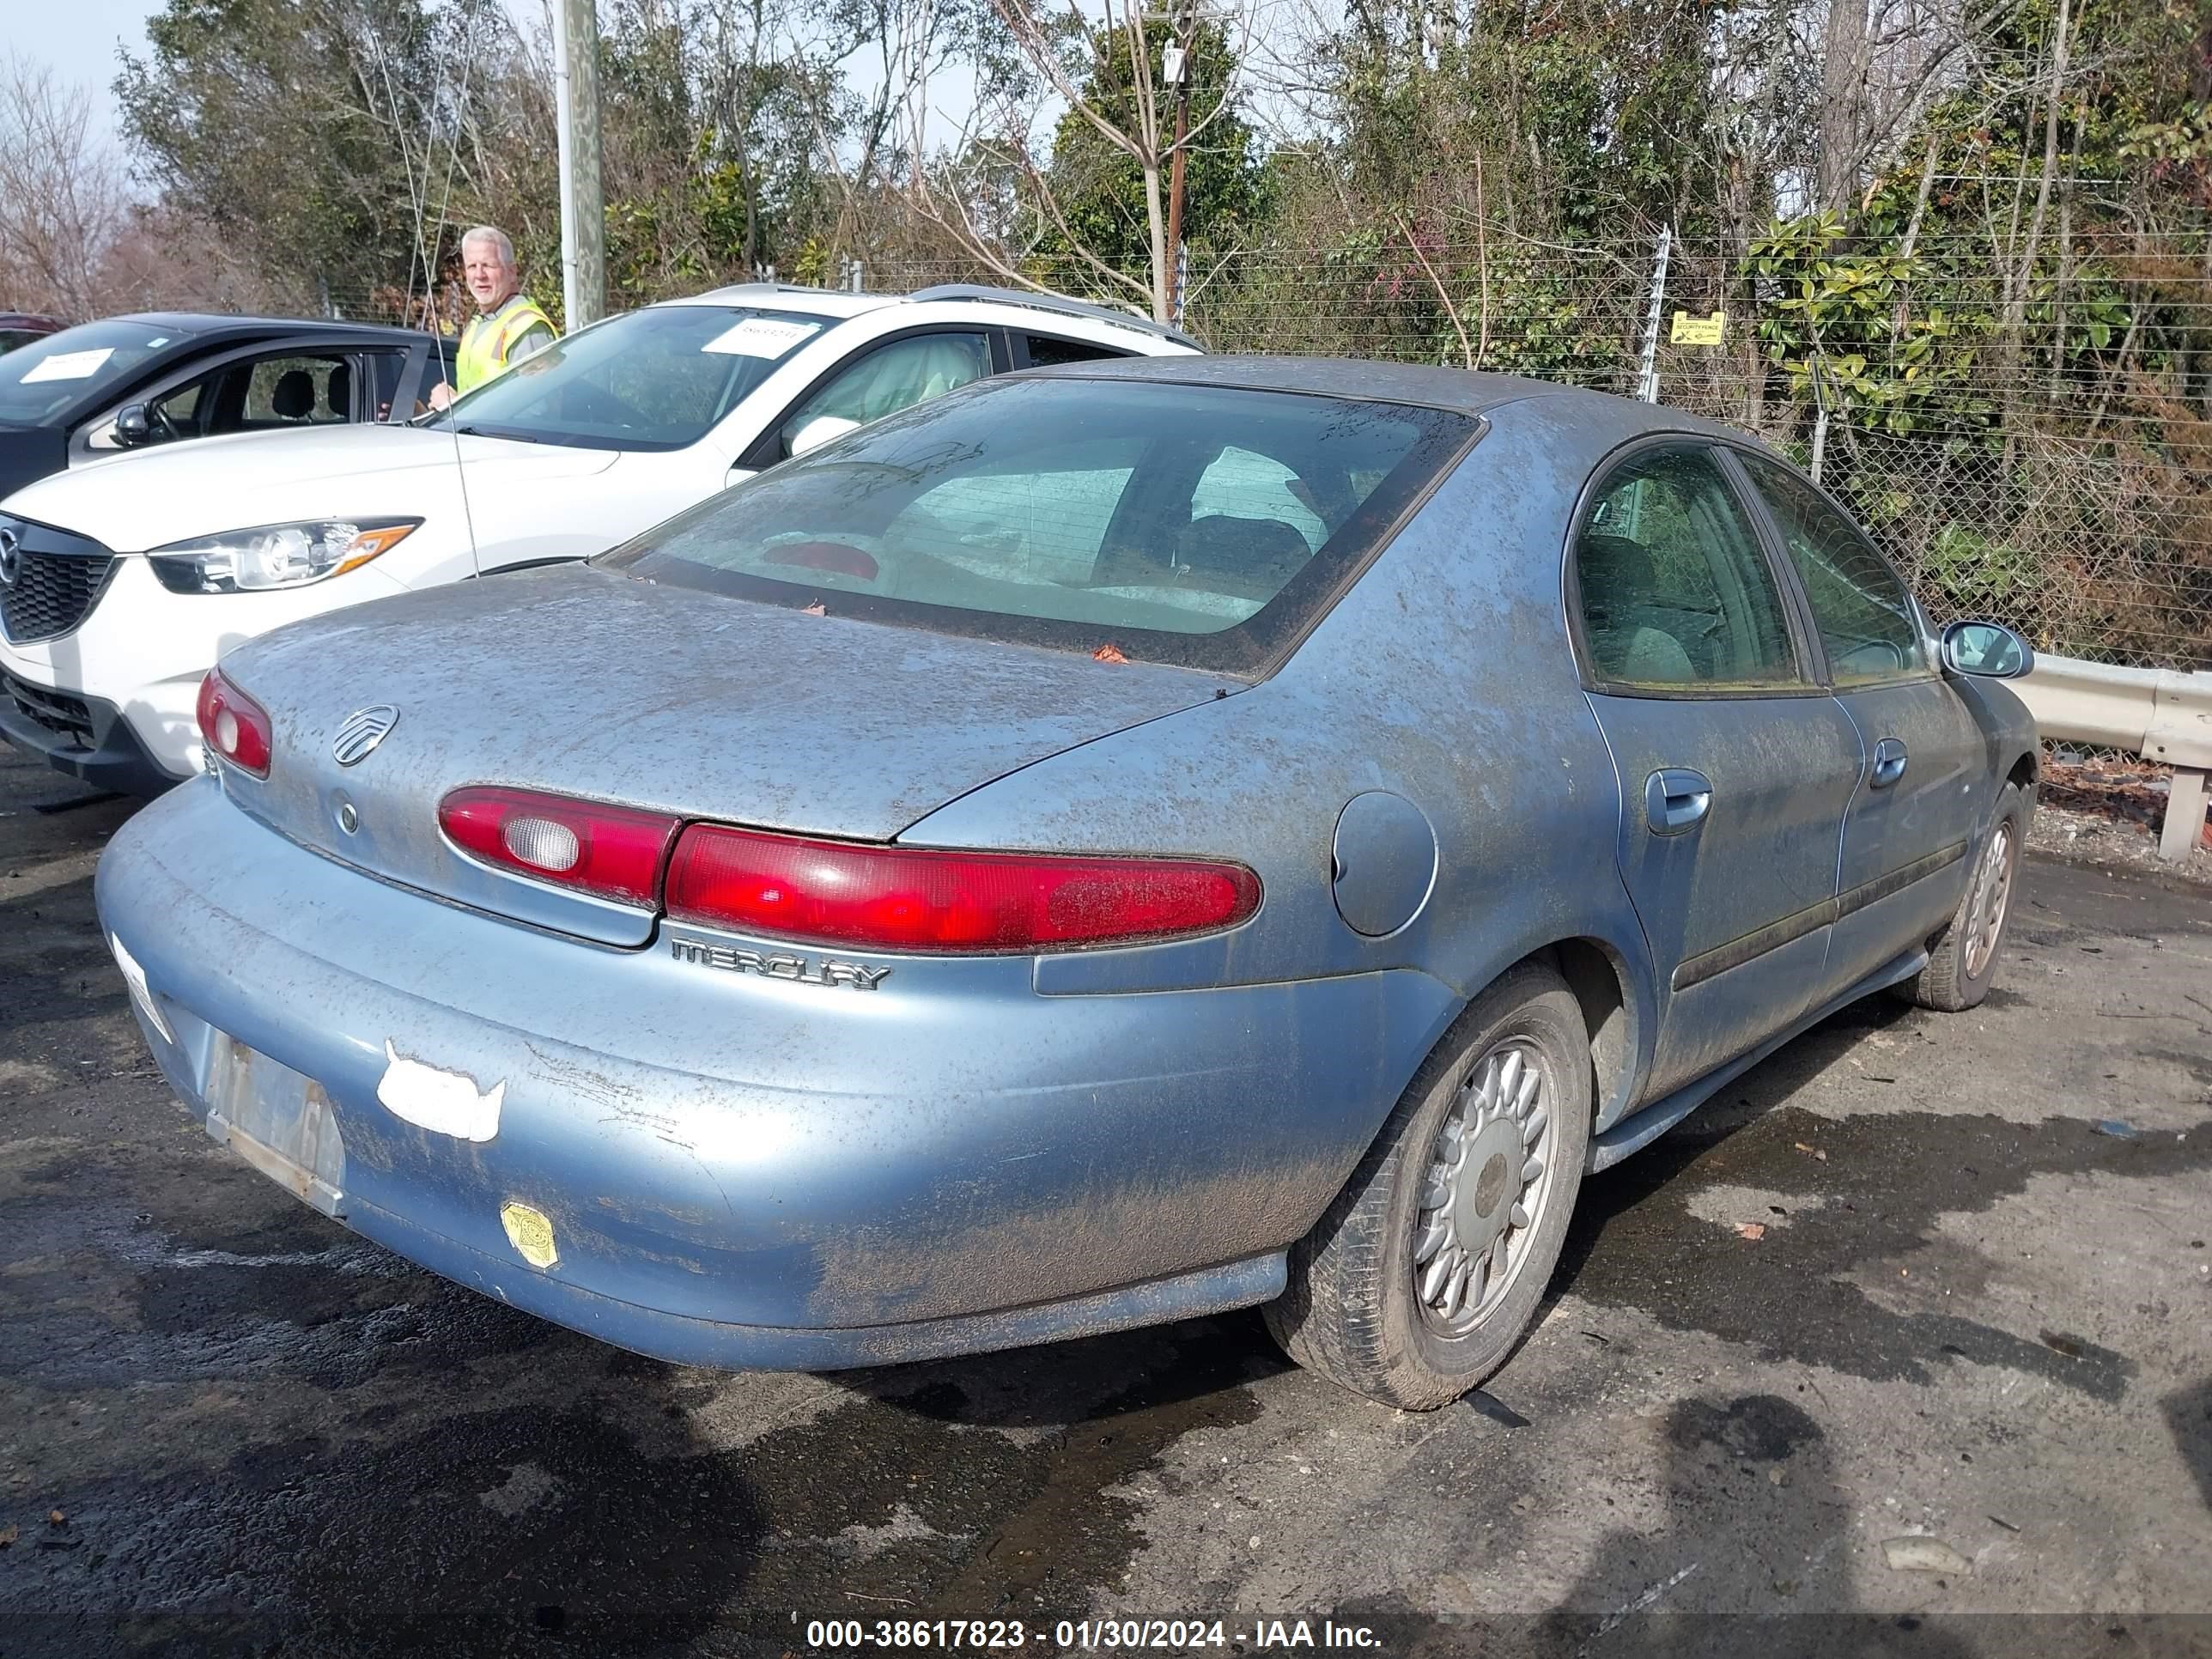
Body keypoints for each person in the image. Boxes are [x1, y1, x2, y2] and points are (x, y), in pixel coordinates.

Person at [427, 226, 557, 410]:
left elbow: (536, 415)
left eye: (488, 265)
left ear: (512, 272)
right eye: (472, 266)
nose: (479, 275)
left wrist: (454, 407)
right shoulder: (479, 323)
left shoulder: (527, 328)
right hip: (474, 437)